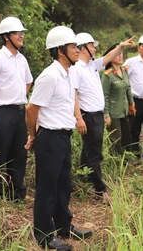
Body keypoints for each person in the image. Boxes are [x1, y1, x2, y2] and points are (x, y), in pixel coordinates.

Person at [25, 26, 92, 251]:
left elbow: (70, 99)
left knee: (64, 184)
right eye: (73, 46)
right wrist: (33, 135)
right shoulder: (49, 76)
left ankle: (64, 226)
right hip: (49, 138)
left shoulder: (69, 73)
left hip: (63, 137)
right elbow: (31, 109)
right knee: (47, 188)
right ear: (60, 50)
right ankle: (44, 236)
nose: (78, 50)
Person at [70, 33, 135, 204]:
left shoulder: (91, 65)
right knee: (95, 152)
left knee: (89, 148)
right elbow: (74, 94)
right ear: (83, 47)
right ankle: (100, 189)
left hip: (96, 114)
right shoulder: (76, 68)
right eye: (92, 45)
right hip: (88, 115)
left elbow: (107, 57)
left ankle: (82, 176)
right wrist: (79, 118)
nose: (95, 48)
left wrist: (120, 46)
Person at [0, 16, 32, 201]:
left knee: (20, 152)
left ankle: (17, 192)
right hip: (2, 112)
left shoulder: (22, 59)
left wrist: (18, 96)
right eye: (17, 33)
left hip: (20, 111)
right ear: (6, 36)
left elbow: (29, 81)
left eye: (22, 33)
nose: (21, 36)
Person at [101, 43, 136, 157]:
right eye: (117, 54)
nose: (120, 56)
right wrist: (106, 114)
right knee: (116, 139)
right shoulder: (107, 75)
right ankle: (116, 161)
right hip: (113, 112)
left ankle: (126, 160)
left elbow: (128, 88)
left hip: (125, 110)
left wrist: (131, 104)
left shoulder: (124, 71)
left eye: (121, 54)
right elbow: (105, 96)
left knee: (126, 136)